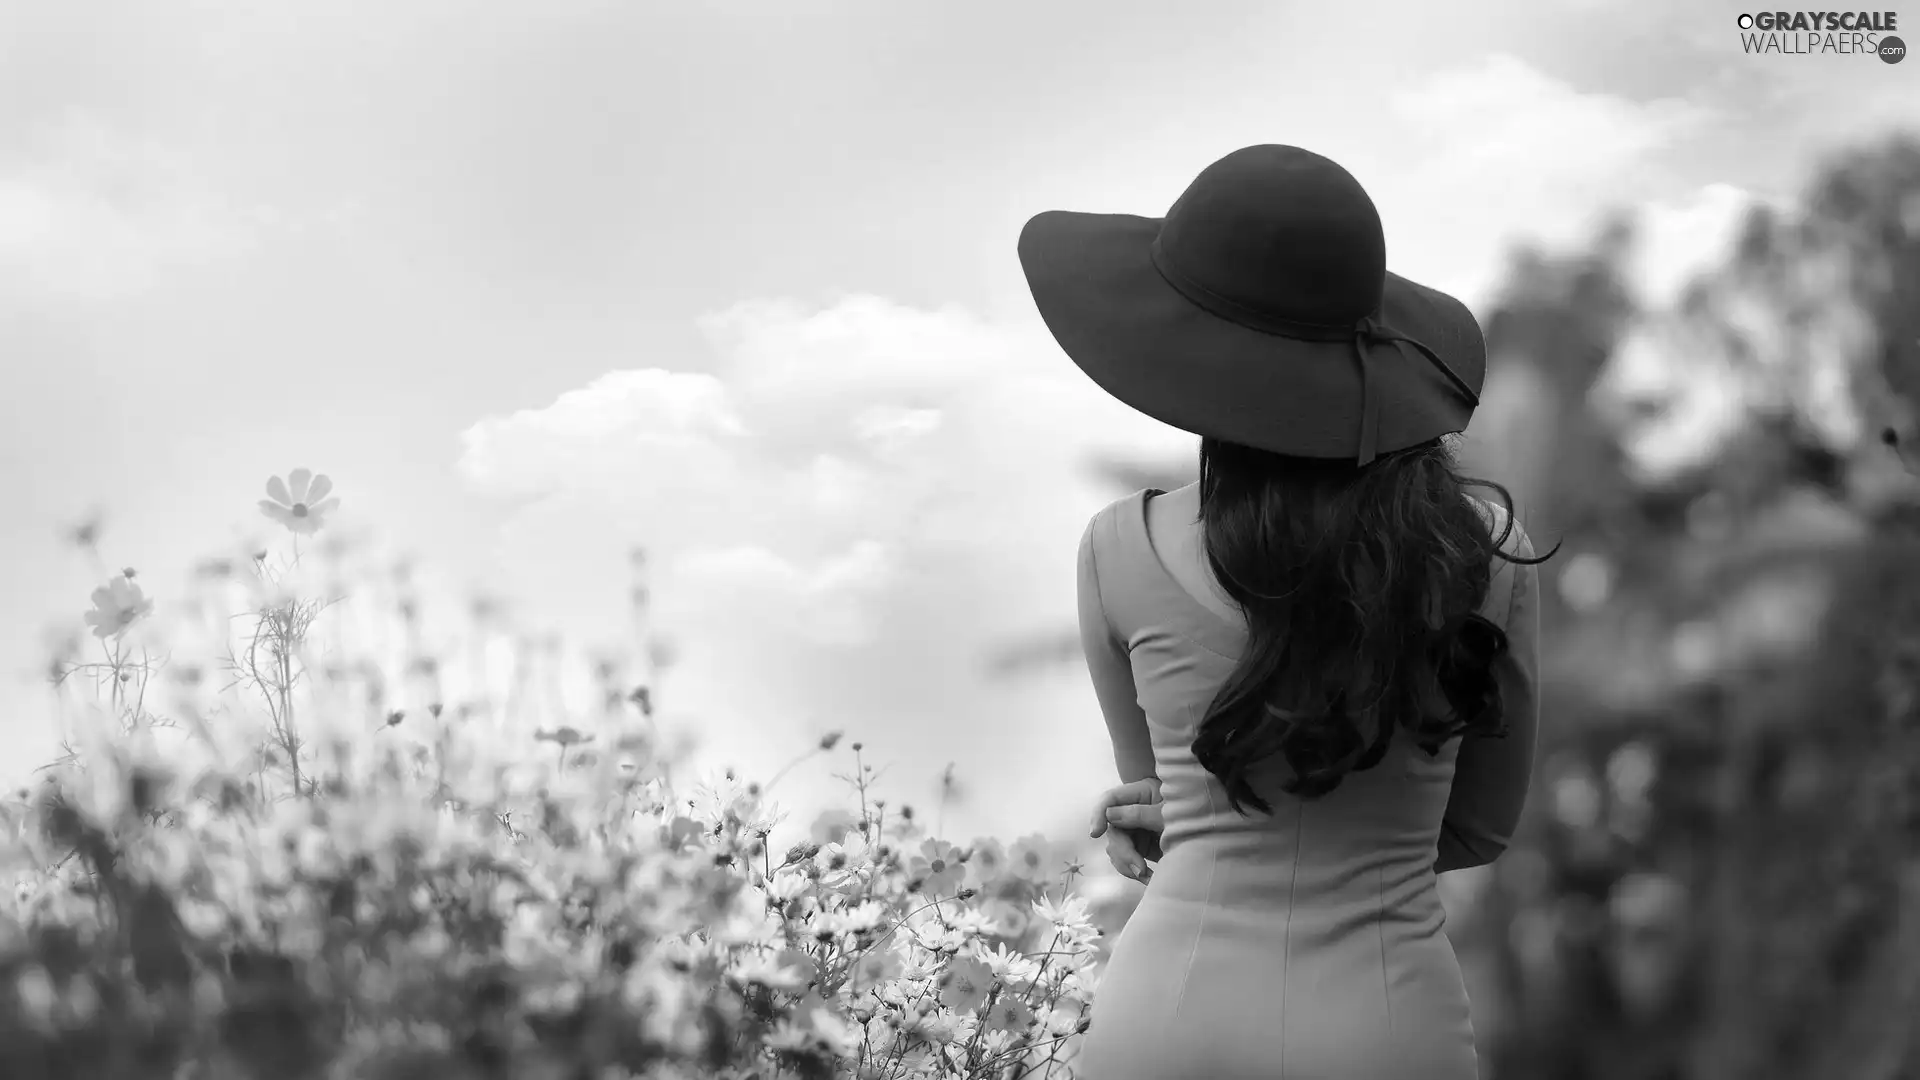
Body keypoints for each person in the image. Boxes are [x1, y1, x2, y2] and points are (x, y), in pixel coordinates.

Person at [1018, 144, 1552, 1080]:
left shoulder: (1116, 550)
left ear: (1182, 352)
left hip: (1167, 1023)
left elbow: (1178, 811)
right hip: (1390, 1028)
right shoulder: (1484, 559)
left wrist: (1186, 814)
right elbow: (1479, 828)